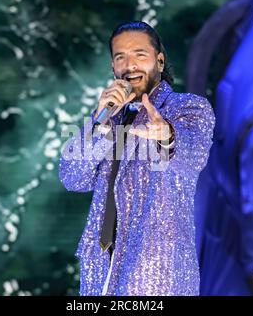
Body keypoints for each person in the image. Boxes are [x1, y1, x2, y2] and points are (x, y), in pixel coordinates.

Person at [59, 21, 215, 296]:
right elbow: (73, 178)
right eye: (120, 57)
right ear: (113, 67)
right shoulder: (108, 117)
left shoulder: (186, 107)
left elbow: (193, 156)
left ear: (160, 60)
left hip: (158, 273)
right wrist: (100, 121)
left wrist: (167, 134)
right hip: (99, 272)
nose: (130, 65)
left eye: (139, 54)